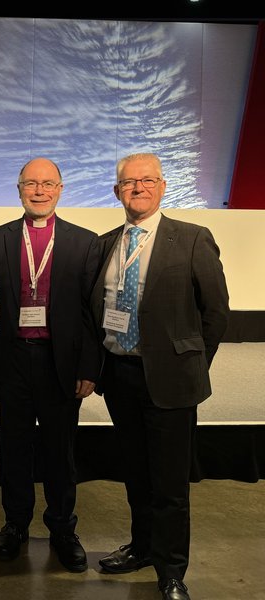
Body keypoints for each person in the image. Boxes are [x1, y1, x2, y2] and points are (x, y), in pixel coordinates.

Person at [90, 153, 230, 600]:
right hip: (121, 376)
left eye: (148, 180)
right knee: (136, 473)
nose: (138, 188)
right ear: (117, 192)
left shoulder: (191, 239)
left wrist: (190, 364)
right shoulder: (105, 243)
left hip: (171, 381)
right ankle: (143, 547)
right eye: (129, 182)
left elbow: (215, 313)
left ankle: (171, 571)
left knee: (170, 483)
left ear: (163, 186)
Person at [0, 157, 101, 573]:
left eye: (47, 183)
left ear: (60, 189)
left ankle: (63, 529)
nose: (39, 190)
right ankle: (14, 525)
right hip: (12, 361)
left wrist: (88, 366)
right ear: (18, 189)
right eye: (31, 183)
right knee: (13, 448)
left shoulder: (86, 242)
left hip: (60, 364)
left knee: (59, 451)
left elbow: (91, 312)